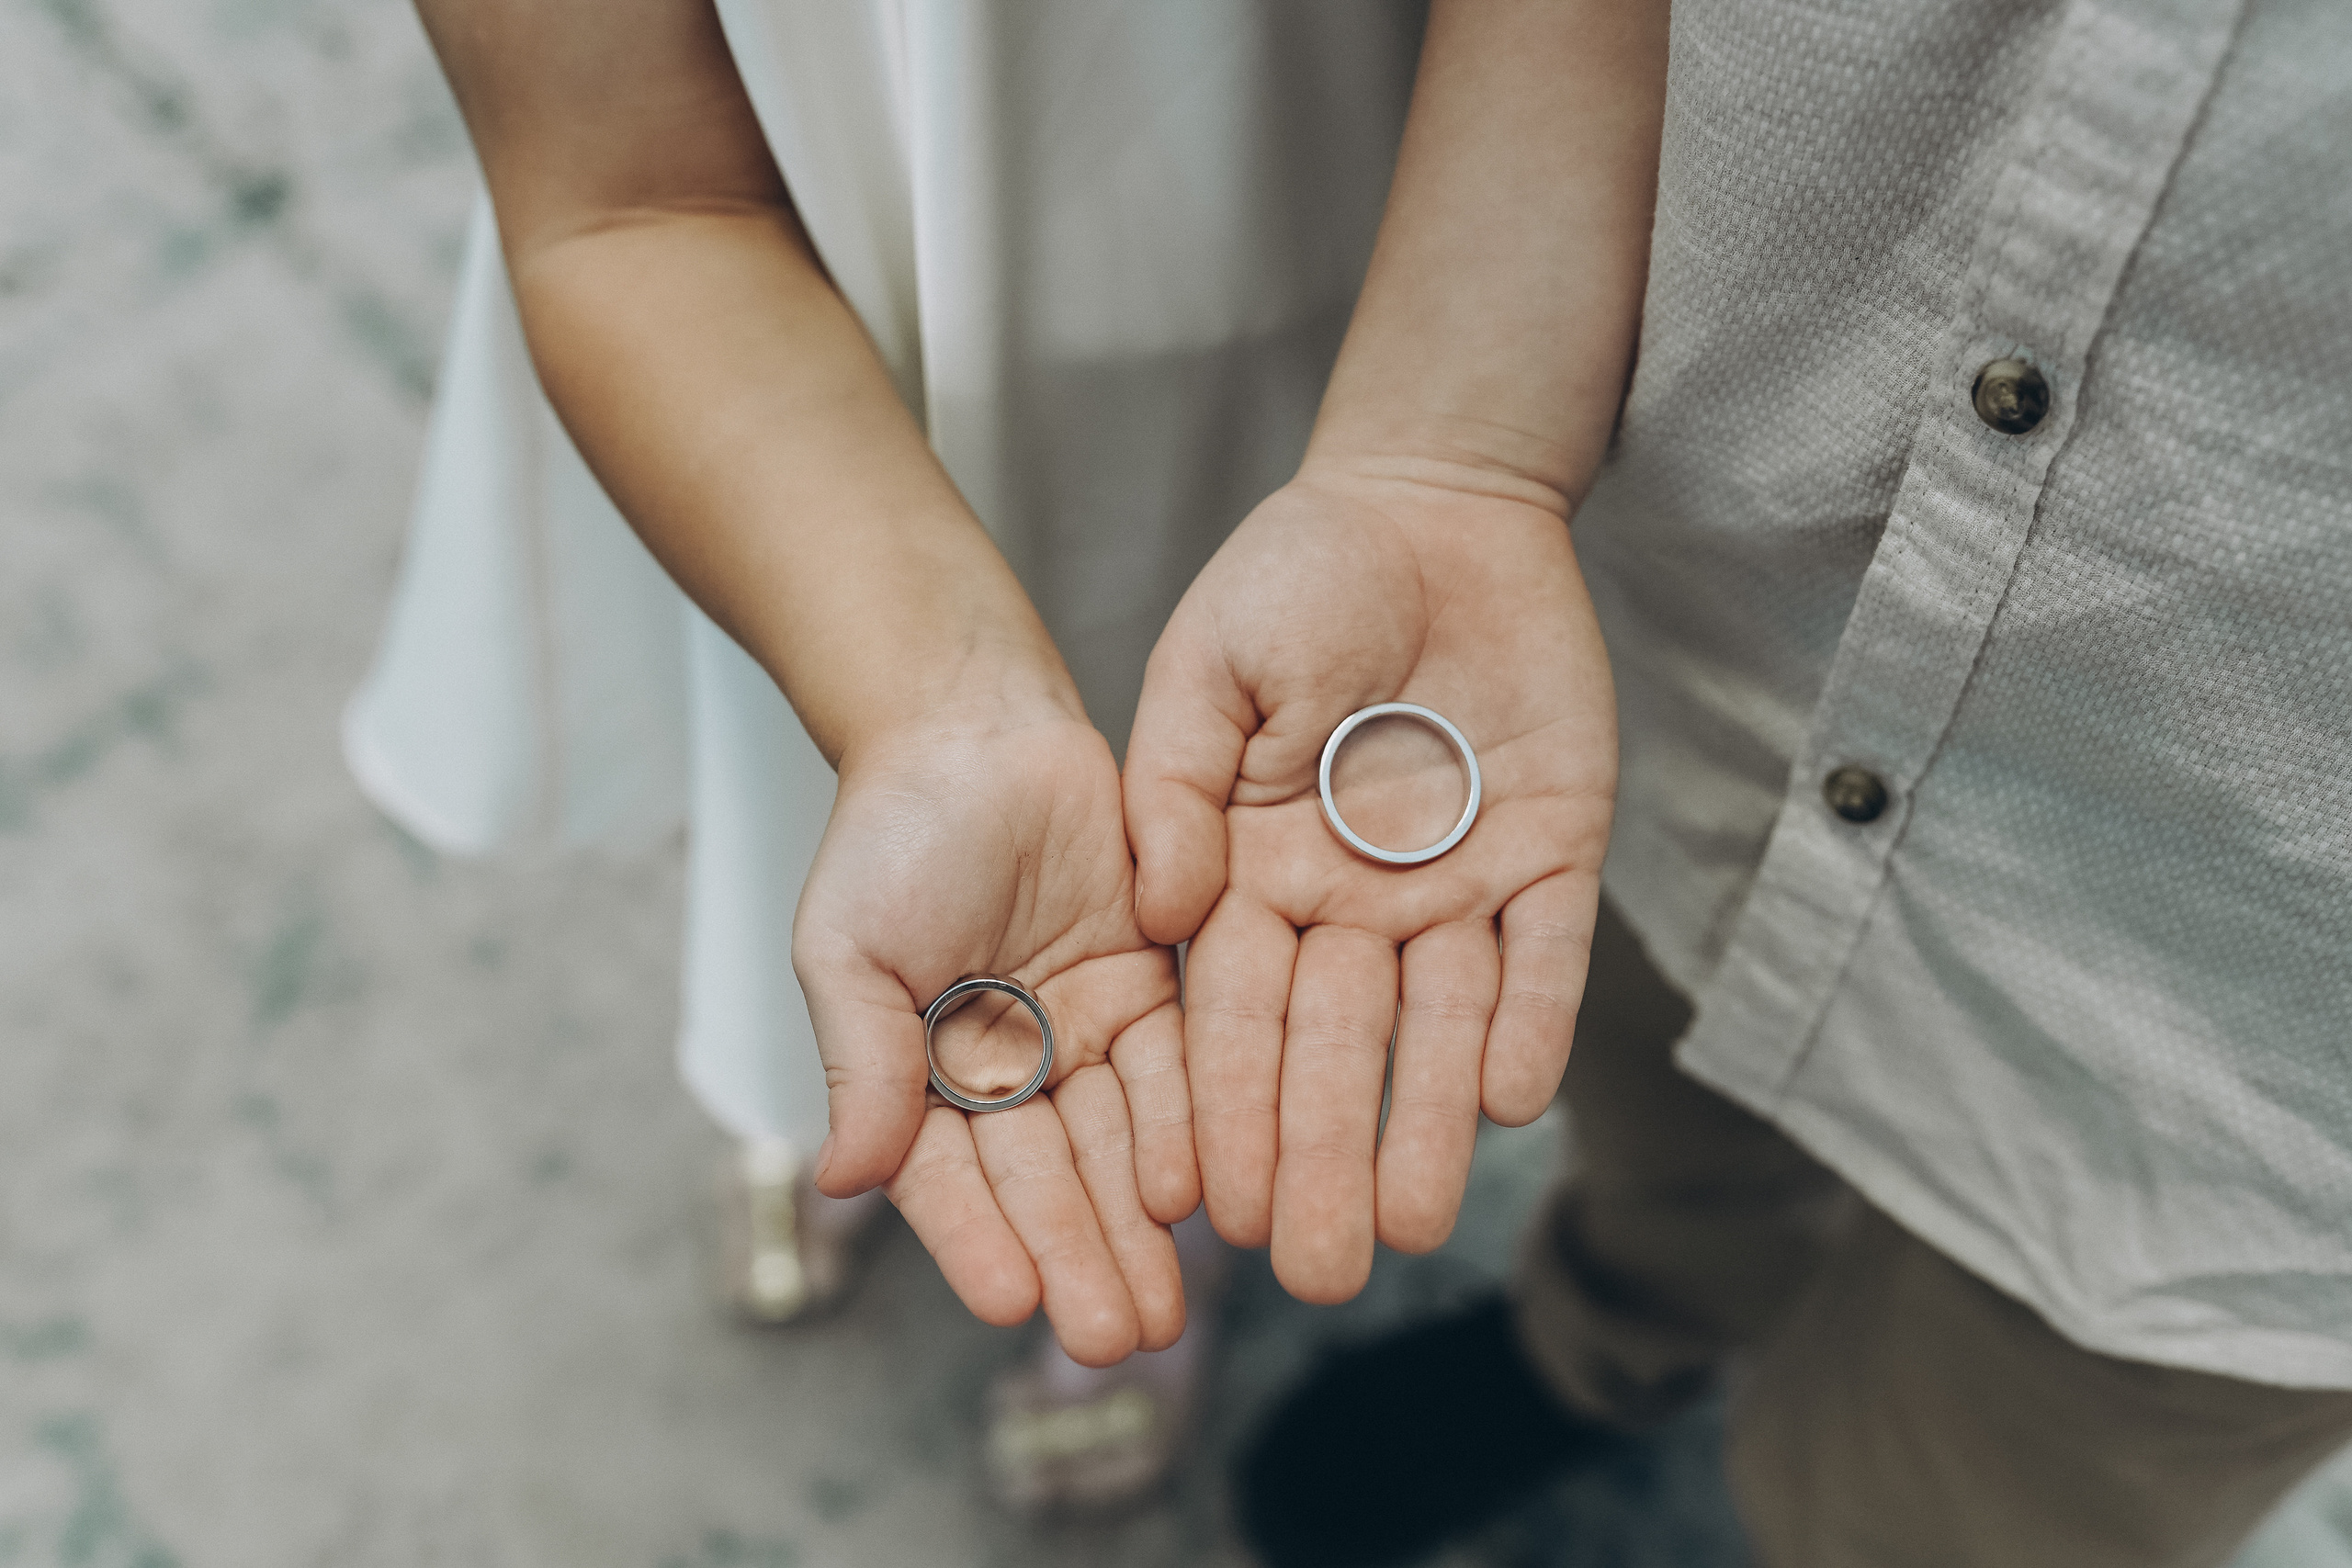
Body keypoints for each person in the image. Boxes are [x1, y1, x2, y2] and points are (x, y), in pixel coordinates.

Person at [1118, 2, 2352, 1566]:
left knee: (1970, 1504)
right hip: (1710, 658)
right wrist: (1448, 448)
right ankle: (1610, 1338)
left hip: (2275, 1067)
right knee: (1653, 1109)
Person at [346, 0, 1426, 1515]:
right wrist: (934, 706)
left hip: (1280, 220)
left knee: (1202, 755)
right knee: (836, 720)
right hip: (769, 198)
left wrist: (1460, 449)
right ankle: (798, 1077)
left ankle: (1146, 1191)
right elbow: (625, 188)